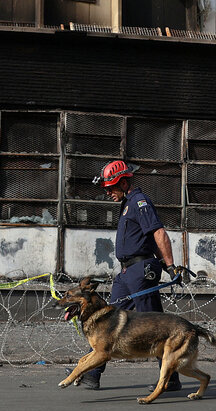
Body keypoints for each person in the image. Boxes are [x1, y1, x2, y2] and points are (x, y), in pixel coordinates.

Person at [71, 160, 186, 391]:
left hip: (140, 271)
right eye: (105, 189)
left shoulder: (139, 202)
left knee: (154, 325)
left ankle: (171, 378)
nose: (108, 193)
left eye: (111, 188)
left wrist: (171, 265)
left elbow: (158, 233)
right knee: (107, 319)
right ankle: (92, 373)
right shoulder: (126, 204)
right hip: (126, 273)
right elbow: (146, 238)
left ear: (124, 182)